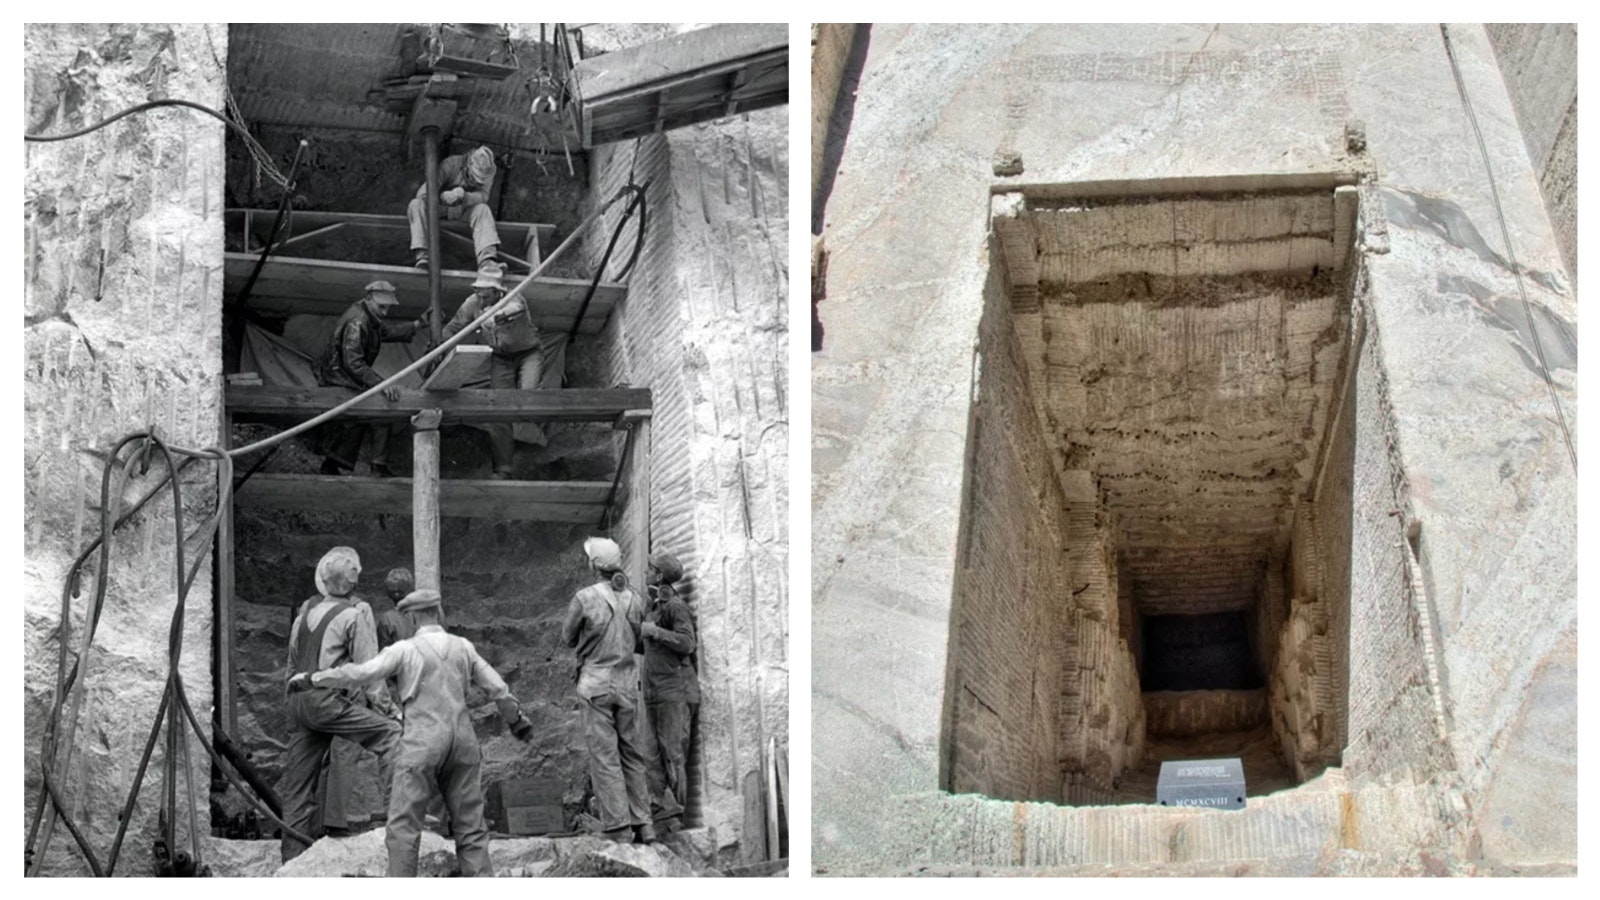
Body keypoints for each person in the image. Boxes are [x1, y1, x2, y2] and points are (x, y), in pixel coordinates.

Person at [289, 588, 535, 877]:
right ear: (437, 613)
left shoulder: (404, 650)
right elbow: (498, 688)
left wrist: (316, 678)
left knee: (404, 829)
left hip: (423, 742)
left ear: (413, 617)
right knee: (471, 829)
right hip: (463, 743)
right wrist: (516, 719)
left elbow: (361, 673)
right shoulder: (463, 646)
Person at [278, 547, 401, 862]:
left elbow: (292, 667)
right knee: (390, 735)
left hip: (299, 701)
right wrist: (390, 711)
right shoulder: (354, 615)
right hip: (326, 701)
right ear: (354, 586)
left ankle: (290, 863)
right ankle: (399, 822)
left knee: (297, 787)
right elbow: (369, 673)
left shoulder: (304, 616)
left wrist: (292, 710)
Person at [562, 537, 654, 843]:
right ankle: (645, 824)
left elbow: (567, 637)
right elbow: (640, 640)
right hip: (629, 685)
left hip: (596, 684)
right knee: (632, 754)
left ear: (594, 565)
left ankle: (618, 827)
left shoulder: (584, 598)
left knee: (605, 756)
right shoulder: (635, 598)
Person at [441, 262, 546, 477]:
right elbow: (453, 328)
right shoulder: (472, 303)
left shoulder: (515, 298)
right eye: (478, 293)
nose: (481, 299)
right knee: (499, 411)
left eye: (486, 296)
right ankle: (504, 468)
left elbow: (514, 309)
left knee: (528, 398)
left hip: (528, 354)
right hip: (500, 359)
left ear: (498, 292)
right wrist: (439, 345)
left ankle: (536, 442)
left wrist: (493, 316)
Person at [314, 280, 425, 476]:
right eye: (381, 307)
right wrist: (381, 384)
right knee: (379, 410)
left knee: (367, 415)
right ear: (368, 299)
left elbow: (386, 331)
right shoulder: (358, 321)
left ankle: (336, 464)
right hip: (338, 378)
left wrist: (418, 324)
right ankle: (376, 466)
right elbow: (353, 364)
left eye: (388, 307)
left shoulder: (369, 314)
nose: (385, 312)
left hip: (345, 376)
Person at [640, 551, 699, 829]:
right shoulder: (654, 608)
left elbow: (687, 644)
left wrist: (655, 632)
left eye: (650, 569)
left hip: (675, 692)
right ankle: (658, 811)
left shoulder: (676, 606)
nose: (646, 573)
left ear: (660, 575)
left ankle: (676, 820)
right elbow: (649, 647)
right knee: (651, 756)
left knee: (674, 755)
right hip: (654, 694)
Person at [408, 145, 500, 270]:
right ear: (469, 163)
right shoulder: (451, 164)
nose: (475, 183)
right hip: (438, 209)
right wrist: (442, 197)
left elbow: (484, 195)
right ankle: (423, 256)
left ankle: (487, 260)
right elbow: (423, 194)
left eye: (479, 182)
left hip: (462, 210)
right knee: (416, 204)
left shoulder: (488, 171)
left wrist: (465, 196)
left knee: (483, 210)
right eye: (474, 178)